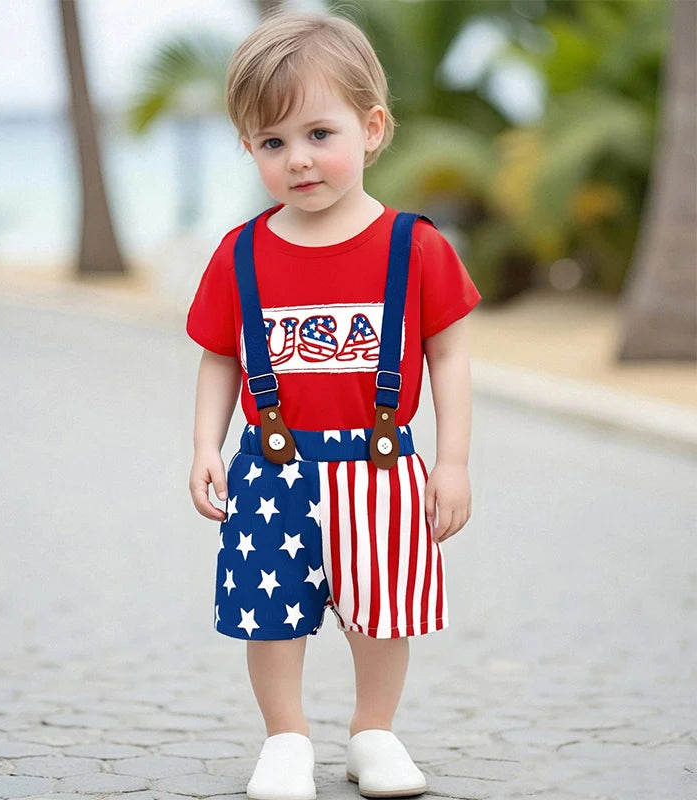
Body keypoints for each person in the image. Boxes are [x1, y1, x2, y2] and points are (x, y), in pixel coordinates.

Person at [187, 11, 481, 800]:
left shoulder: (413, 246)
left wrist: (450, 463)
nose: (299, 160)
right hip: (272, 466)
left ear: (372, 127)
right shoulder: (241, 252)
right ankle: (285, 738)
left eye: (320, 133)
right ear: (249, 149)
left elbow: (448, 356)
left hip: (379, 466)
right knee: (271, 613)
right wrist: (206, 446)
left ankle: (374, 731)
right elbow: (220, 356)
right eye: (272, 143)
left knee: (380, 612)